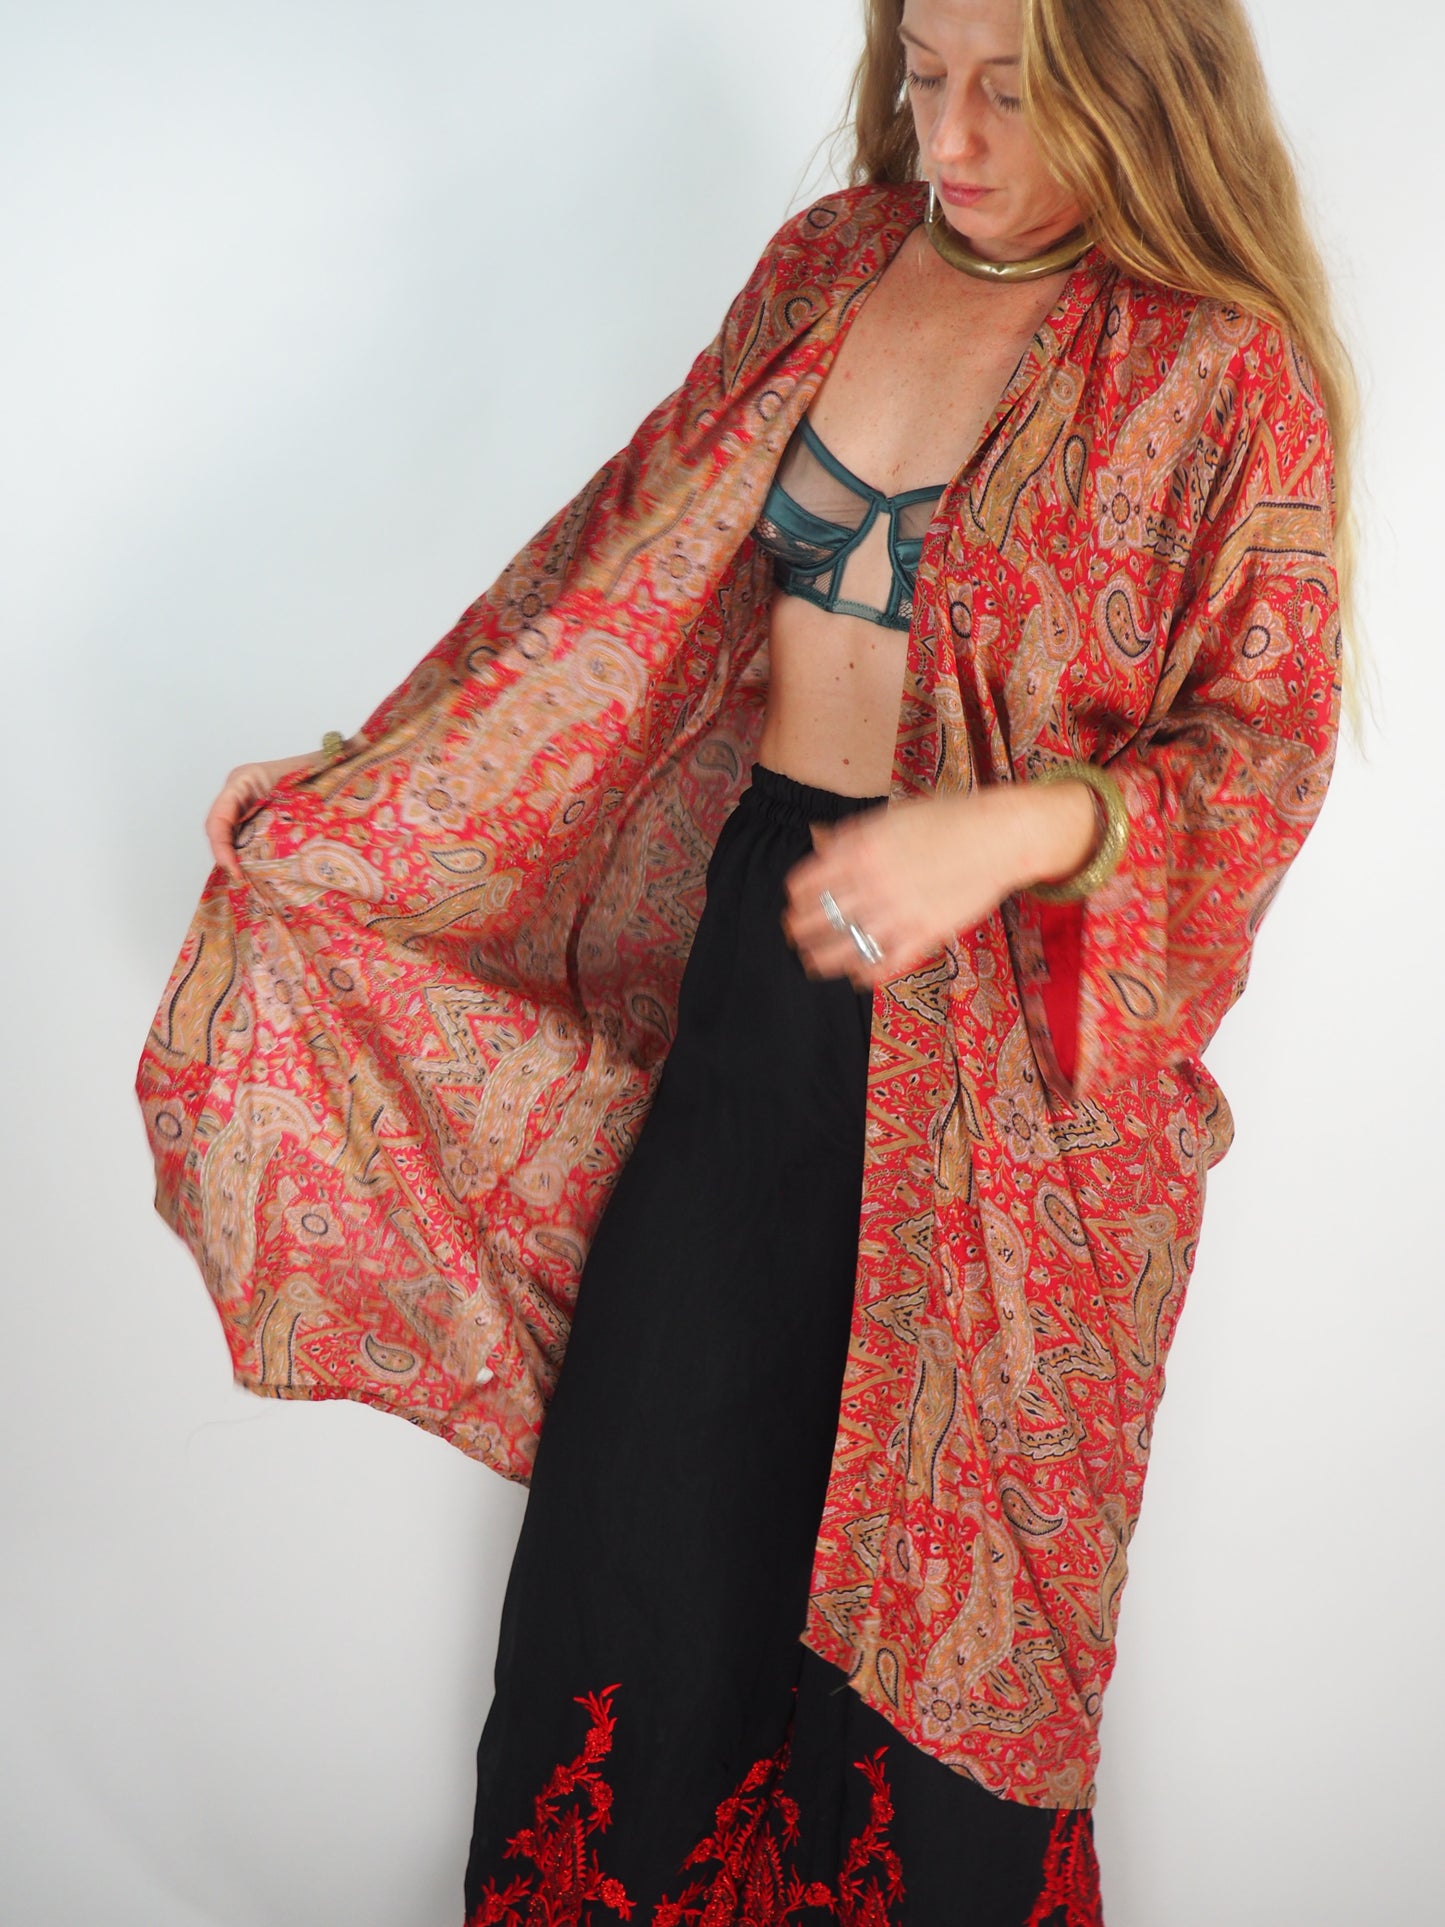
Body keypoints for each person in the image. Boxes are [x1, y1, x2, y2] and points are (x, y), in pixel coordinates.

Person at [138, 0, 1352, 1920]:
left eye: (1011, 92)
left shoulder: (1220, 369)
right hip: (767, 967)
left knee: (935, 1606)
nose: (950, 136)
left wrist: (1012, 828)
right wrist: (370, 781)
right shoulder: (829, 269)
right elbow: (607, 573)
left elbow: (1263, 748)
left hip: (1015, 1073)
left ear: (1138, 90)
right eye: (923, 75)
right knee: (646, 1525)